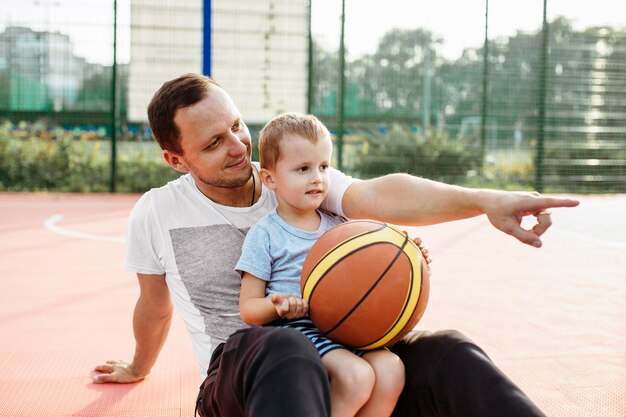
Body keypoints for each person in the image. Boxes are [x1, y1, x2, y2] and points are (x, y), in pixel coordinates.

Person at [92, 73, 579, 417]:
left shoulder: (304, 182)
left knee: (450, 352)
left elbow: (381, 194)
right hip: (246, 387)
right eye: (214, 142)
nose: (239, 145)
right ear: (177, 159)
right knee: (284, 345)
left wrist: (485, 200)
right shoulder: (157, 214)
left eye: (237, 125)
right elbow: (154, 307)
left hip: (353, 374)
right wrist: (138, 367)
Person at [236, 112, 424, 417]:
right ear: (270, 178)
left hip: (347, 327)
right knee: (356, 377)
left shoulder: (342, 227)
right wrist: (277, 305)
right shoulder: (265, 235)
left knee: (391, 370)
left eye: (324, 167)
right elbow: (248, 309)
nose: (317, 178)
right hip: (297, 330)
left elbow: (377, 268)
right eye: (303, 169)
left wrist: (410, 258)